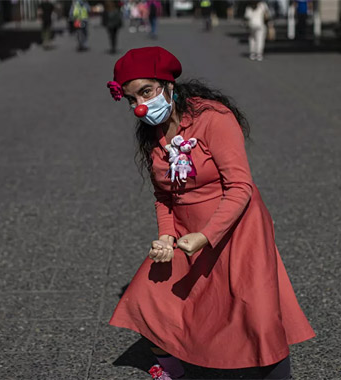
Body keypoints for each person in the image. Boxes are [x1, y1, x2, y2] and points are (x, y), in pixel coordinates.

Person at [106, 47, 315, 380]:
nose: (140, 106)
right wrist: (165, 235)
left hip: (237, 227)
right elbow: (163, 195)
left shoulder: (213, 117)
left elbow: (240, 187)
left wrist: (206, 236)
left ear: (168, 86)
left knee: (256, 316)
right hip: (187, 232)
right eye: (131, 99)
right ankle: (175, 369)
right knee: (146, 301)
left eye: (146, 92)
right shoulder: (152, 132)